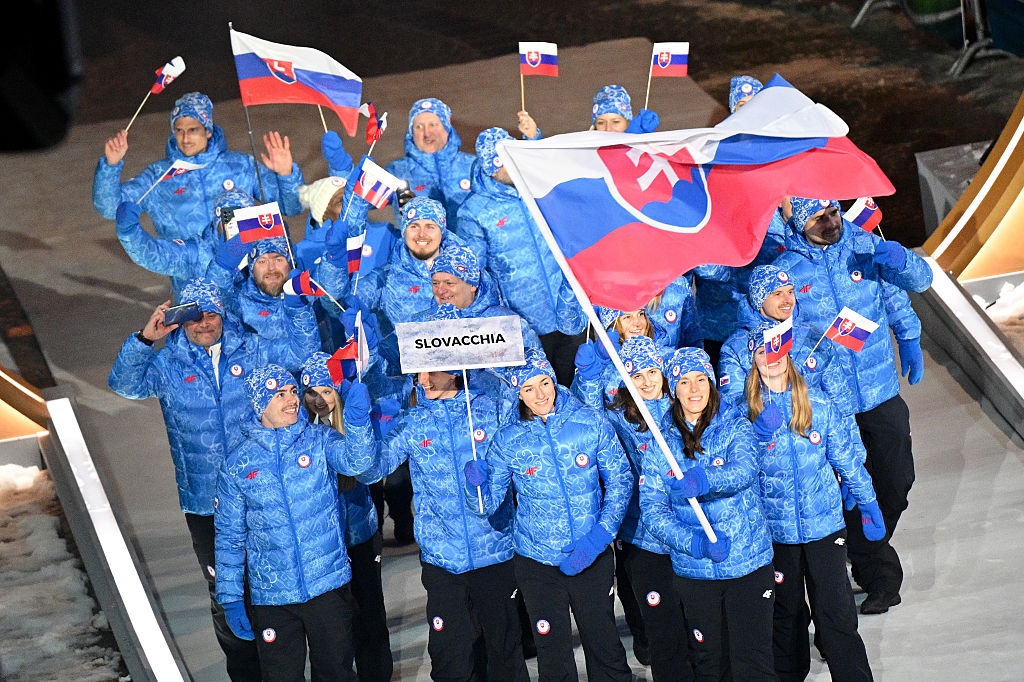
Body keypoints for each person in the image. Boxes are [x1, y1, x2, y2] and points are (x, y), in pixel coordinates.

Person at [107, 278, 292, 680]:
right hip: (204, 501)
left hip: (261, 492)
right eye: (191, 317)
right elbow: (123, 384)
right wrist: (144, 339)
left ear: (222, 313)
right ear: (178, 321)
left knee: (271, 585)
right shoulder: (167, 365)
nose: (202, 324)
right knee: (226, 595)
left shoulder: (255, 350)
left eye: (210, 314)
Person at [773, 196, 933, 615]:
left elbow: (910, 287)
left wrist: (908, 333)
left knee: (897, 481)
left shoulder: (865, 245)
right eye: (818, 219)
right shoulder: (786, 270)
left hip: (879, 391)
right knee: (848, 490)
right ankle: (878, 574)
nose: (830, 223)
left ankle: (863, 546)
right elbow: (773, 327)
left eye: (833, 213)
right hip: (829, 403)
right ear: (796, 225)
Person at [464, 347, 634, 682]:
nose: (540, 394)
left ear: (554, 381)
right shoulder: (507, 440)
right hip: (537, 563)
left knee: (604, 645)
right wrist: (476, 487)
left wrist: (600, 536)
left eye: (544, 383)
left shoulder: (589, 422)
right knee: (553, 655)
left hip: (591, 554)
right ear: (518, 394)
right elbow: (486, 507)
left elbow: (621, 480)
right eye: (528, 389)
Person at [213, 363, 374, 681]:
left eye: (291, 392)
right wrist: (230, 597)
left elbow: (359, 462)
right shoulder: (238, 464)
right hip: (273, 597)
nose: (292, 400)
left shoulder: (319, 440)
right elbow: (229, 535)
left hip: (326, 586)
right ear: (260, 404)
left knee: (336, 673)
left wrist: (357, 424)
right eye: (279, 395)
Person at [742, 321, 883, 681]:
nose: (771, 358)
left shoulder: (817, 403)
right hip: (776, 538)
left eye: (776, 349)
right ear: (753, 361)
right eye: (762, 351)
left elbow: (845, 458)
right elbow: (737, 473)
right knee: (785, 617)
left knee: (836, 614)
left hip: (824, 531)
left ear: (788, 353)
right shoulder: (743, 415)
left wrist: (868, 501)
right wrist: (756, 437)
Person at [374, 368, 529, 682]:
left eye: (432, 372)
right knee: (450, 659)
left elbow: (522, 443)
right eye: (419, 372)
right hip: (443, 560)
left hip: (495, 552)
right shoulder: (413, 422)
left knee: (504, 655)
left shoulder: (489, 409)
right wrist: (363, 422)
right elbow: (370, 468)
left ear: (455, 371)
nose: (423, 380)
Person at [637, 347, 776, 680]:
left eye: (701, 379)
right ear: (673, 388)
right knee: (709, 661)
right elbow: (652, 510)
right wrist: (693, 544)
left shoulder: (734, 425)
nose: (694, 389)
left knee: (752, 661)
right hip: (694, 571)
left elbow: (745, 469)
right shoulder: (661, 443)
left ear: (712, 383)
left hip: (746, 563)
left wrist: (705, 479)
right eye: (684, 381)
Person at [574, 335, 694, 681]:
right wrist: (588, 377)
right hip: (642, 536)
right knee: (662, 626)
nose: (645, 381)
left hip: (687, 528)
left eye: (651, 372)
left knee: (697, 622)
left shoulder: (684, 407)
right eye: (635, 376)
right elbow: (587, 423)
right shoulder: (615, 418)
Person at [455, 127, 586, 385]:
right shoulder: (474, 212)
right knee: (543, 392)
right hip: (527, 322)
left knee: (579, 384)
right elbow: (474, 275)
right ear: (488, 167)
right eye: (501, 164)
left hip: (569, 307)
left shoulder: (539, 189)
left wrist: (534, 138)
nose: (510, 169)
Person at [94, 91, 303, 243]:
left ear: (208, 131)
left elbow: (291, 207)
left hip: (240, 282)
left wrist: (286, 174)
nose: (185, 139)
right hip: (190, 288)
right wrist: (111, 166)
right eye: (179, 130)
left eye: (193, 130)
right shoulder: (158, 176)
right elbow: (111, 209)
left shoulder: (240, 166)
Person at [299, 352, 394, 682]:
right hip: (321, 546)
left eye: (327, 391)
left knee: (369, 616)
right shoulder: (298, 433)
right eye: (312, 392)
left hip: (357, 537)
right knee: (335, 626)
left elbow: (367, 468)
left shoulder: (357, 425)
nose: (319, 400)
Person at [221, 235, 323, 373]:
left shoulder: (309, 292)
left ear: (291, 263)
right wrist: (221, 268)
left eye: (279, 259)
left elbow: (333, 289)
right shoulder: (238, 300)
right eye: (262, 261)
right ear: (251, 269)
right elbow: (213, 303)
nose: (271, 268)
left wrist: (298, 309)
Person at [385, 98, 475, 219]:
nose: (427, 134)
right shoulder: (397, 171)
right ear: (411, 132)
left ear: (447, 126)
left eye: (433, 125)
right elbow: (356, 200)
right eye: (419, 127)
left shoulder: (473, 167)